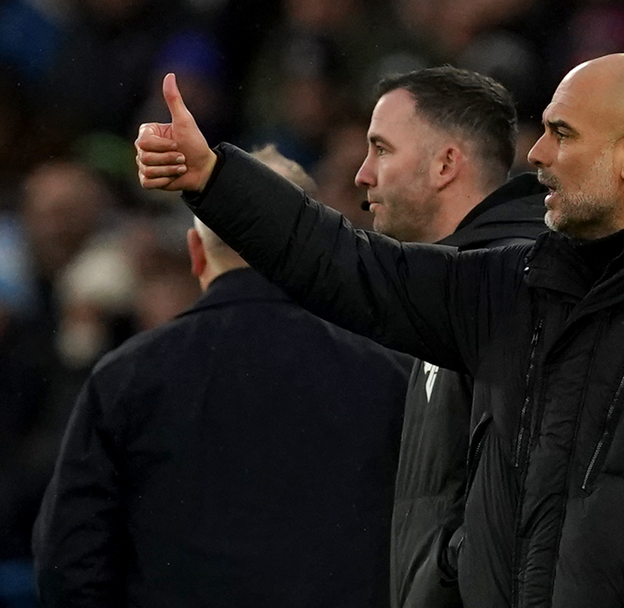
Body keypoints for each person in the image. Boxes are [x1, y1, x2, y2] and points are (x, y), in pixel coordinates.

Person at [136, 53, 624, 608]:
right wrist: (215, 178)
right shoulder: (513, 286)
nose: (534, 155)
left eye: (562, 133)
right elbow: (349, 266)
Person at [32, 146, 412, 608]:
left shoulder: (126, 376)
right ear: (319, 244)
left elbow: (69, 564)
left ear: (195, 253)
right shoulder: (392, 373)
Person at [356, 66, 546, 608]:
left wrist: (448, 571)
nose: (362, 174)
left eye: (381, 149)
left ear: (445, 164)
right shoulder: (447, 286)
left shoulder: (513, 293)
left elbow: (528, 497)